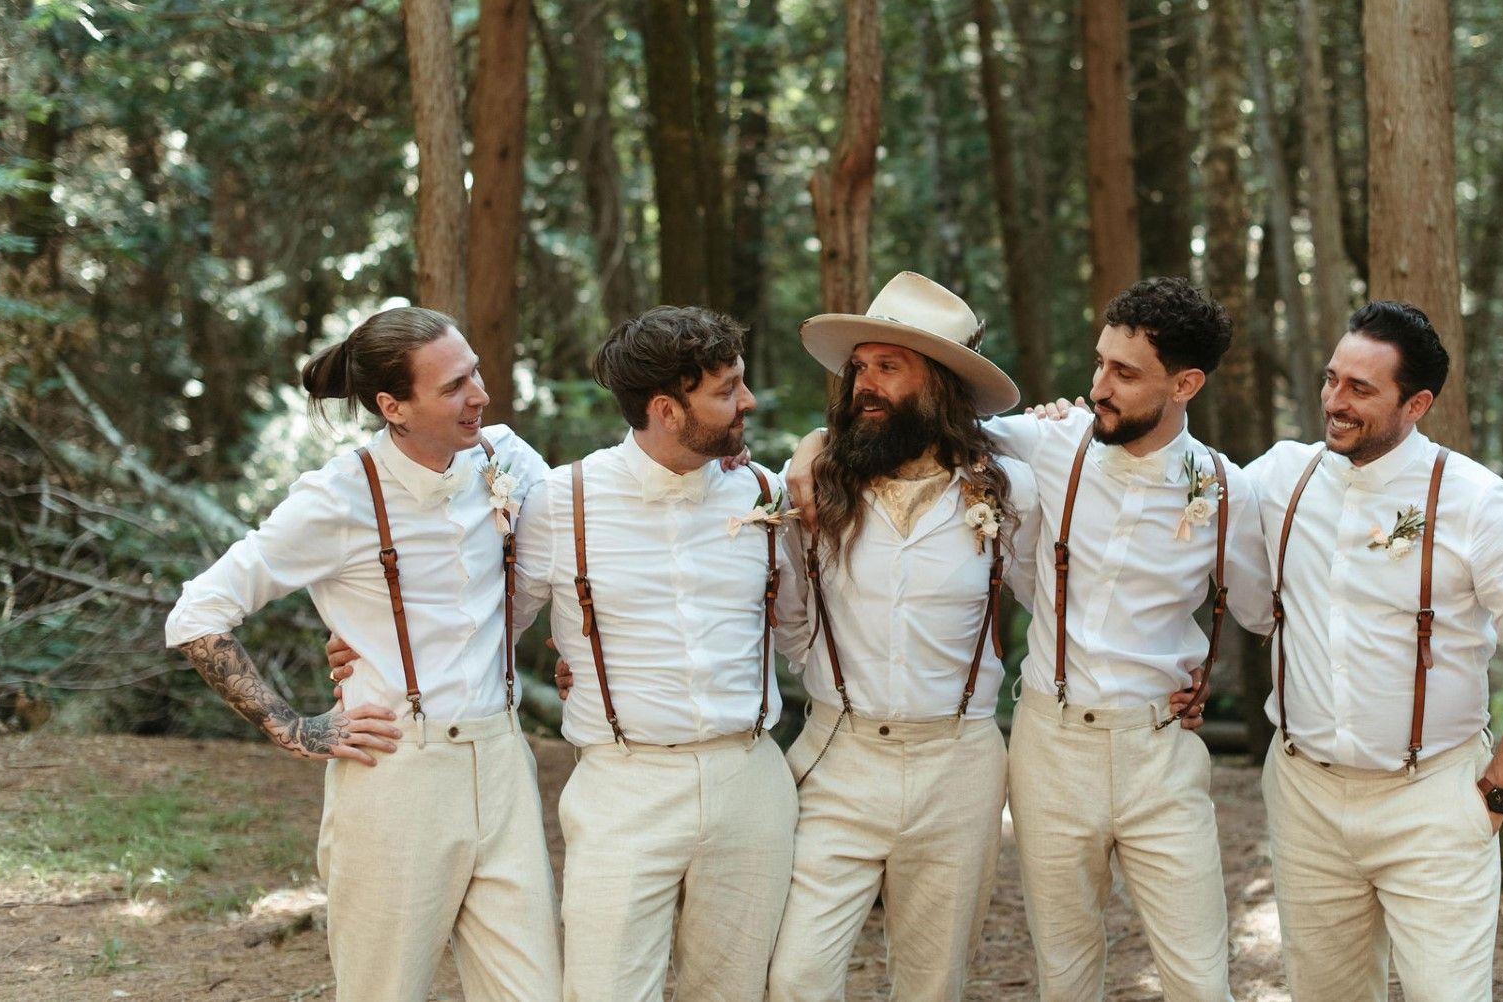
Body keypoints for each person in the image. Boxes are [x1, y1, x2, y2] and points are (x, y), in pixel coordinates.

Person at [165, 305, 560, 1002]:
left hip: (503, 761)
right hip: (397, 774)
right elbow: (197, 612)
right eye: (453, 386)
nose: (480, 395)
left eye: (474, 373)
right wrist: (292, 726)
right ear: (393, 407)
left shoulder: (508, 459)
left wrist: (729, 462)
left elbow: (590, 526)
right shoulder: (338, 498)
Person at [1233, 301, 1503, 1001]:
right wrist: (1064, 431)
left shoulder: (1479, 504)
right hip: (1305, 797)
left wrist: (1493, 799)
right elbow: (1179, 491)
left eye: (1360, 389)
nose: (1334, 401)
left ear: (1417, 404)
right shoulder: (1281, 478)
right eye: (1331, 379)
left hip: (1432, 801)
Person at [983, 277, 1264, 1002]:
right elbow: (927, 429)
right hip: (1049, 748)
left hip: (1160, 753)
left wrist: (1204, 674)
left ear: (1185, 385)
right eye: (1100, 362)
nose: (1097, 386)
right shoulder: (1050, 444)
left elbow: (1263, 610)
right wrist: (816, 447)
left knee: (1200, 978)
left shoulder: (1226, 489)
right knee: (1066, 974)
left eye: (1125, 373)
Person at [766, 272, 1039, 1002]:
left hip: (958, 766)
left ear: (939, 385)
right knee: (794, 978)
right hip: (838, 755)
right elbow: (790, 613)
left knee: (931, 983)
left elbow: (1049, 597)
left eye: (889, 367)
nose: (865, 384)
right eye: (861, 366)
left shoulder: (1008, 491)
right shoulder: (816, 484)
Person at [524, 305, 797, 1002]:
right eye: (727, 390)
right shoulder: (561, 501)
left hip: (750, 779)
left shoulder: (765, 493)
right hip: (624, 785)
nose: (748, 401)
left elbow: (807, 623)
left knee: (733, 991)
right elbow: (486, 625)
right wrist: (361, 642)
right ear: (667, 410)